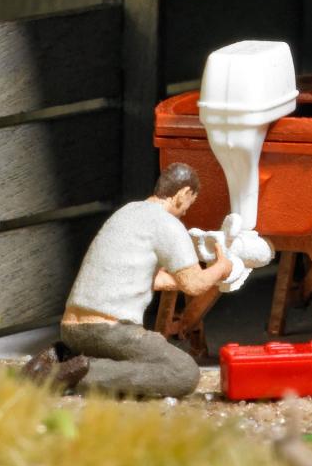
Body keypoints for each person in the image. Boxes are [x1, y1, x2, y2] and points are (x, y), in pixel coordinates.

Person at [52, 162, 232, 398]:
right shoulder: (166, 223)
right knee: (183, 372)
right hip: (107, 330)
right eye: (190, 202)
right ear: (183, 193)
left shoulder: (127, 212)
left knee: (142, 357)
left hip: (72, 330)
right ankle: (77, 376)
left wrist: (192, 277)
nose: (187, 211)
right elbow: (194, 284)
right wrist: (222, 268)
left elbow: (152, 279)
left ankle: (62, 358)